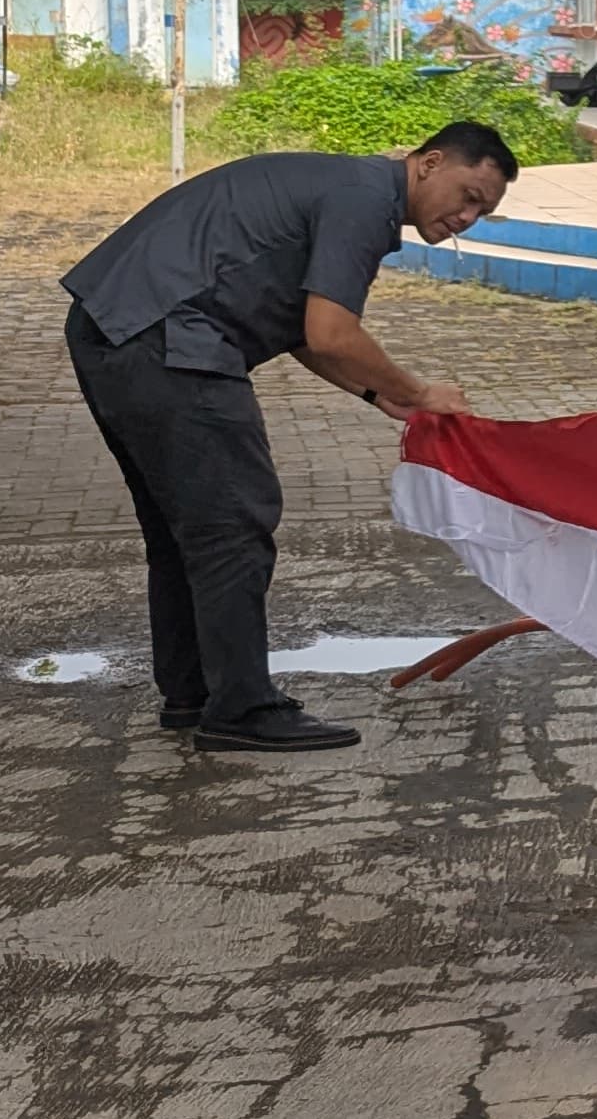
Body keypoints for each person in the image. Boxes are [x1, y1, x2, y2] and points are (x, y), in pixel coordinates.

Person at [62, 125, 515, 753]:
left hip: (116, 326)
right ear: (429, 163)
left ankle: (194, 692)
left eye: (482, 212)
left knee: (186, 530)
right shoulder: (364, 202)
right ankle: (241, 708)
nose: (466, 218)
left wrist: (374, 394)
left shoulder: (347, 185)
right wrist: (419, 392)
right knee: (233, 524)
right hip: (169, 341)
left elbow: (302, 330)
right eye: (467, 196)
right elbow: (332, 332)